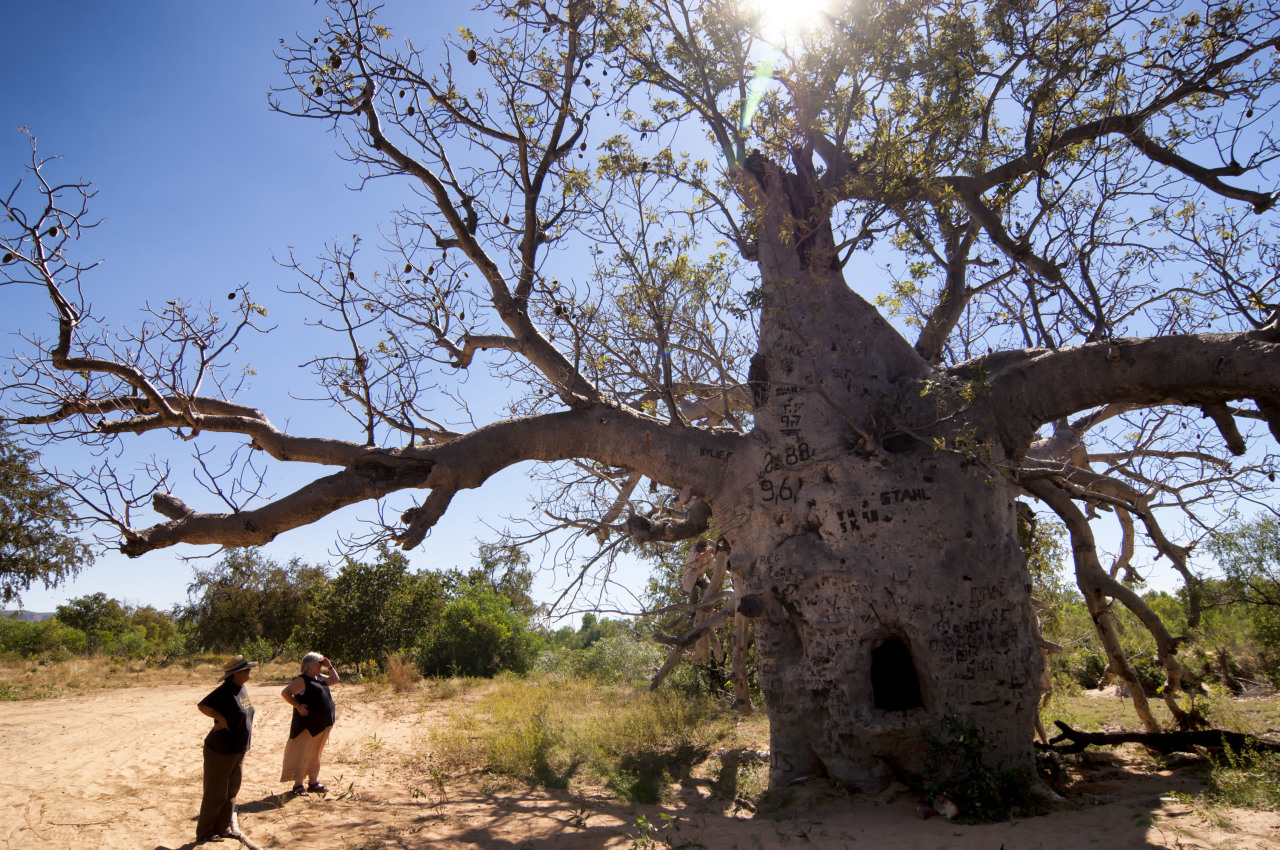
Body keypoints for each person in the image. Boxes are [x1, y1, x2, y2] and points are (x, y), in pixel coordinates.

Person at [196, 654, 257, 843]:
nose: (250, 672)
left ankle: (222, 828)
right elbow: (203, 706)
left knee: (231, 791)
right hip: (220, 750)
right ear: (236, 673)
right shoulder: (225, 691)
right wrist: (220, 719)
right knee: (215, 793)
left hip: (237, 750)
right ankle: (205, 832)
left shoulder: (241, 687)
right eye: (246, 670)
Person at [280, 652, 339, 795]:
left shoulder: (318, 677)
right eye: (319, 663)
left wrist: (329, 666)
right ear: (310, 664)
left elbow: (335, 679)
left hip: (322, 724)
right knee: (302, 753)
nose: (321, 665)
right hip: (307, 726)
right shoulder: (303, 680)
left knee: (315, 754)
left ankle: (313, 781)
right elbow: (285, 693)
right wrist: (298, 706)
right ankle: (298, 785)